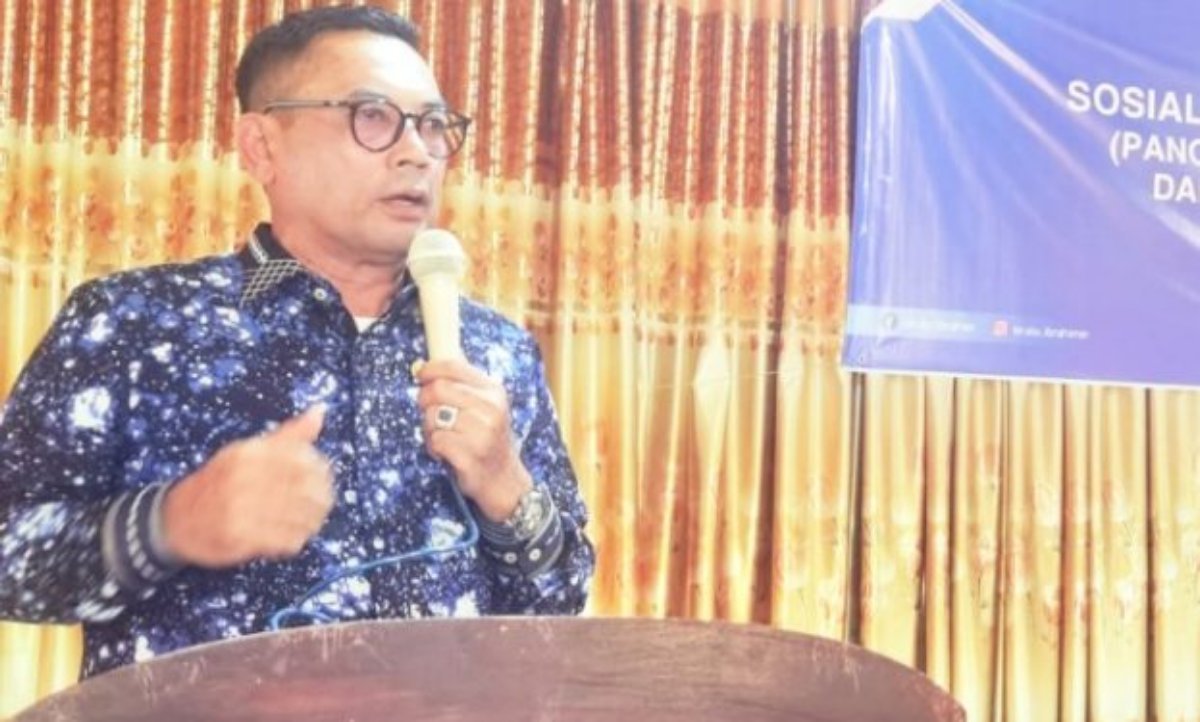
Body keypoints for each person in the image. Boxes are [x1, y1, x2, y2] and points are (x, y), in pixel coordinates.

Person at [0, 5, 594, 678]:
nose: (417, 152)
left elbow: (560, 598)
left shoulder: (497, 350)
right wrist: (171, 522)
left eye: (433, 124)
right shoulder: (130, 321)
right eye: (372, 116)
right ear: (262, 147)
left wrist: (507, 488)